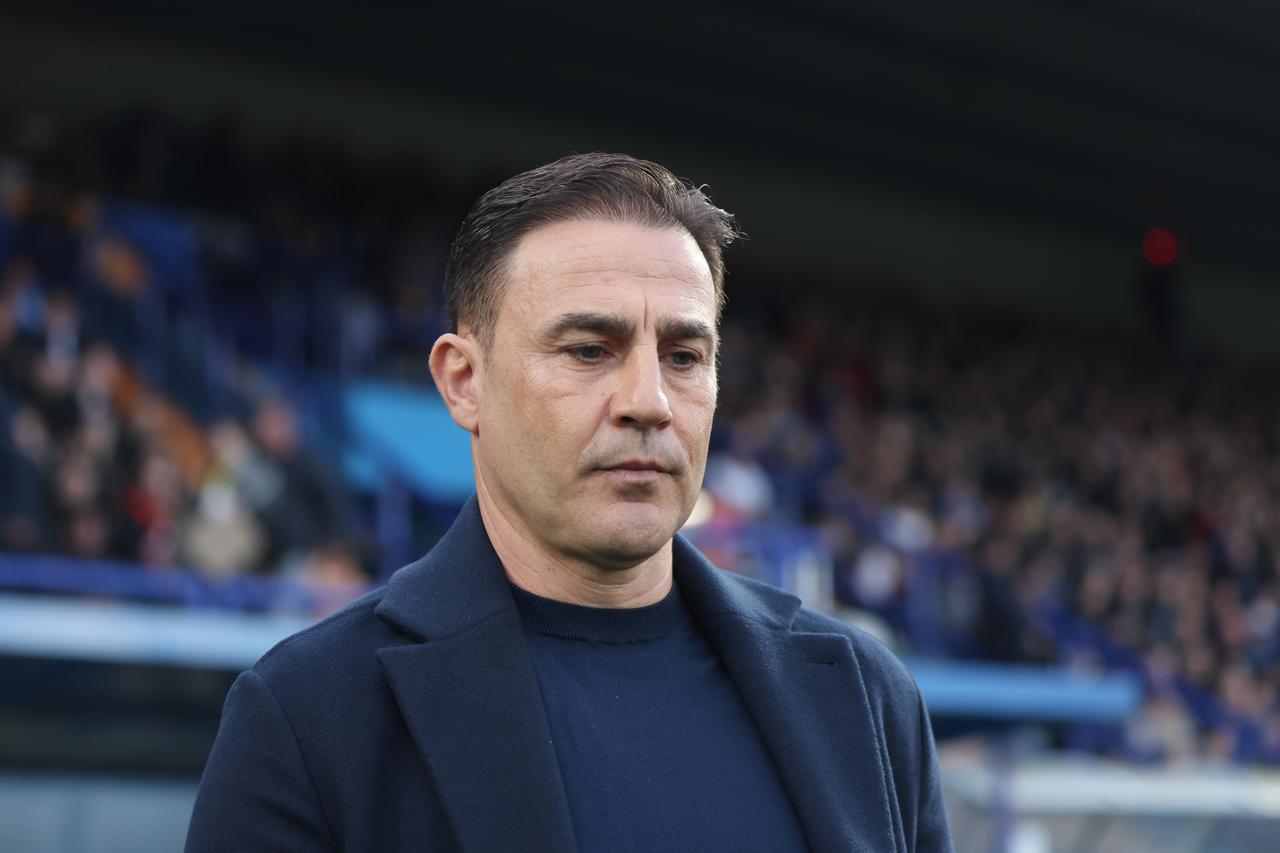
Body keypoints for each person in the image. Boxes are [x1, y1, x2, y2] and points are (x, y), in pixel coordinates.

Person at [186, 153, 953, 852]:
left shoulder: (867, 699)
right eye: (589, 350)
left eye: (684, 356)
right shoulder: (308, 717)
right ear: (464, 381)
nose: (649, 401)